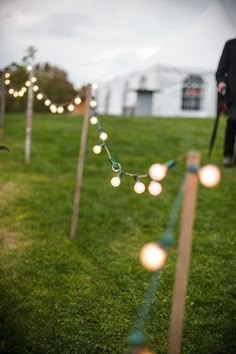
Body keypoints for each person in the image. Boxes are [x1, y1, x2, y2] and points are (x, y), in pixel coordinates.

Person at [216, 38, 236, 167]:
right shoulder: (231, 45)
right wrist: (221, 81)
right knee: (233, 122)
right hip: (234, 93)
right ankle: (228, 156)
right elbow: (221, 70)